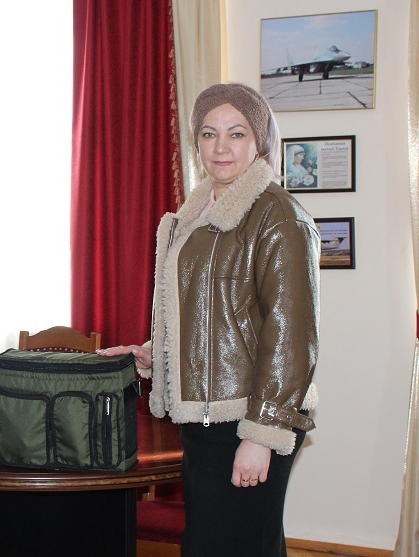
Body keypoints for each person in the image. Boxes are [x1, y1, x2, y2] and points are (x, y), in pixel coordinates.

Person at [97, 82, 320, 557]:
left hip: (248, 417)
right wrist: (156, 355)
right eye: (208, 133)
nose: (221, 147)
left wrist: (261, 436)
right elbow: (213, 314)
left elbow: (291, 338)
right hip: (207, 417)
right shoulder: (199, 213)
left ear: (259, 141)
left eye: (237, 133)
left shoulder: (278, 214)